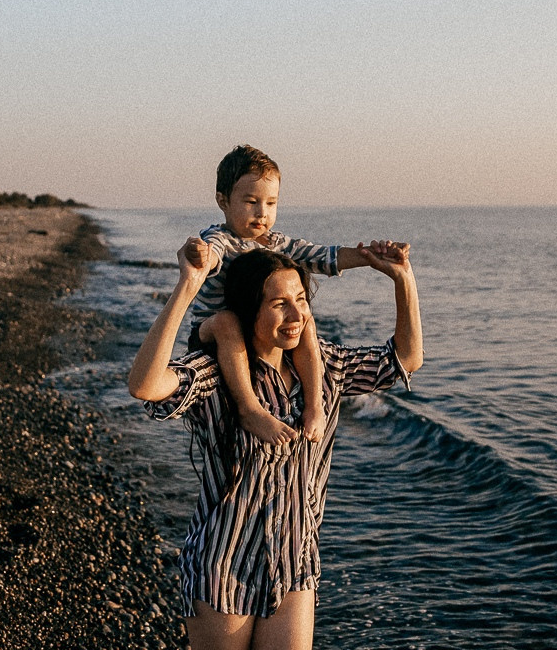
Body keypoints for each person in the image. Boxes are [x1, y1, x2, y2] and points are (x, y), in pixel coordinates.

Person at [128, 237, 422, 648]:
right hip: (223, 564)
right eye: (278, 303)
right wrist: (187, 286)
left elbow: (403, 359)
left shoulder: (325, 369)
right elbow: (145, 385)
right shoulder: (217, 375)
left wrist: (403, 279)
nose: (295, 314)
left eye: (301, 299)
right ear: (249, 310)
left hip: (295, 564)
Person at [188, 145, 380, 447]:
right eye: (251, 202)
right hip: (214, 334)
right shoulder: (220, 239)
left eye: (271, 203)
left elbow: (323, 257)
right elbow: (211, 254)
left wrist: (369, 256)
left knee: (305, 320)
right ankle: (250, 410)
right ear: (223, 201)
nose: (262, 213)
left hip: (257, 334)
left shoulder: (277, 243)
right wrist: (201, 257)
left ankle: (314, 405)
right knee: (227, 321)